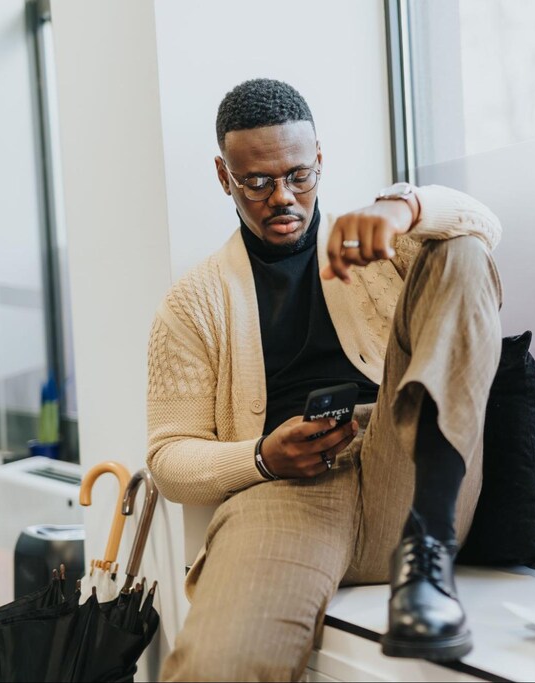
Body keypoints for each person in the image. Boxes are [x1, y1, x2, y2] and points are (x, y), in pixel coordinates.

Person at [145, 78, 503, 680]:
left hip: (411, 479)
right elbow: (168, 458)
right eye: (256, 182)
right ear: (223, 175)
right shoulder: (192, 303)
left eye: (299, 176)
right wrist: (262, 457)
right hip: (286, 496)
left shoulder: (382, 246)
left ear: (319, 160)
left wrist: (404, 205)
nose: (282, 197)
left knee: (460, 253)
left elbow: (482, 234)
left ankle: (428, 558)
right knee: (214, 666)